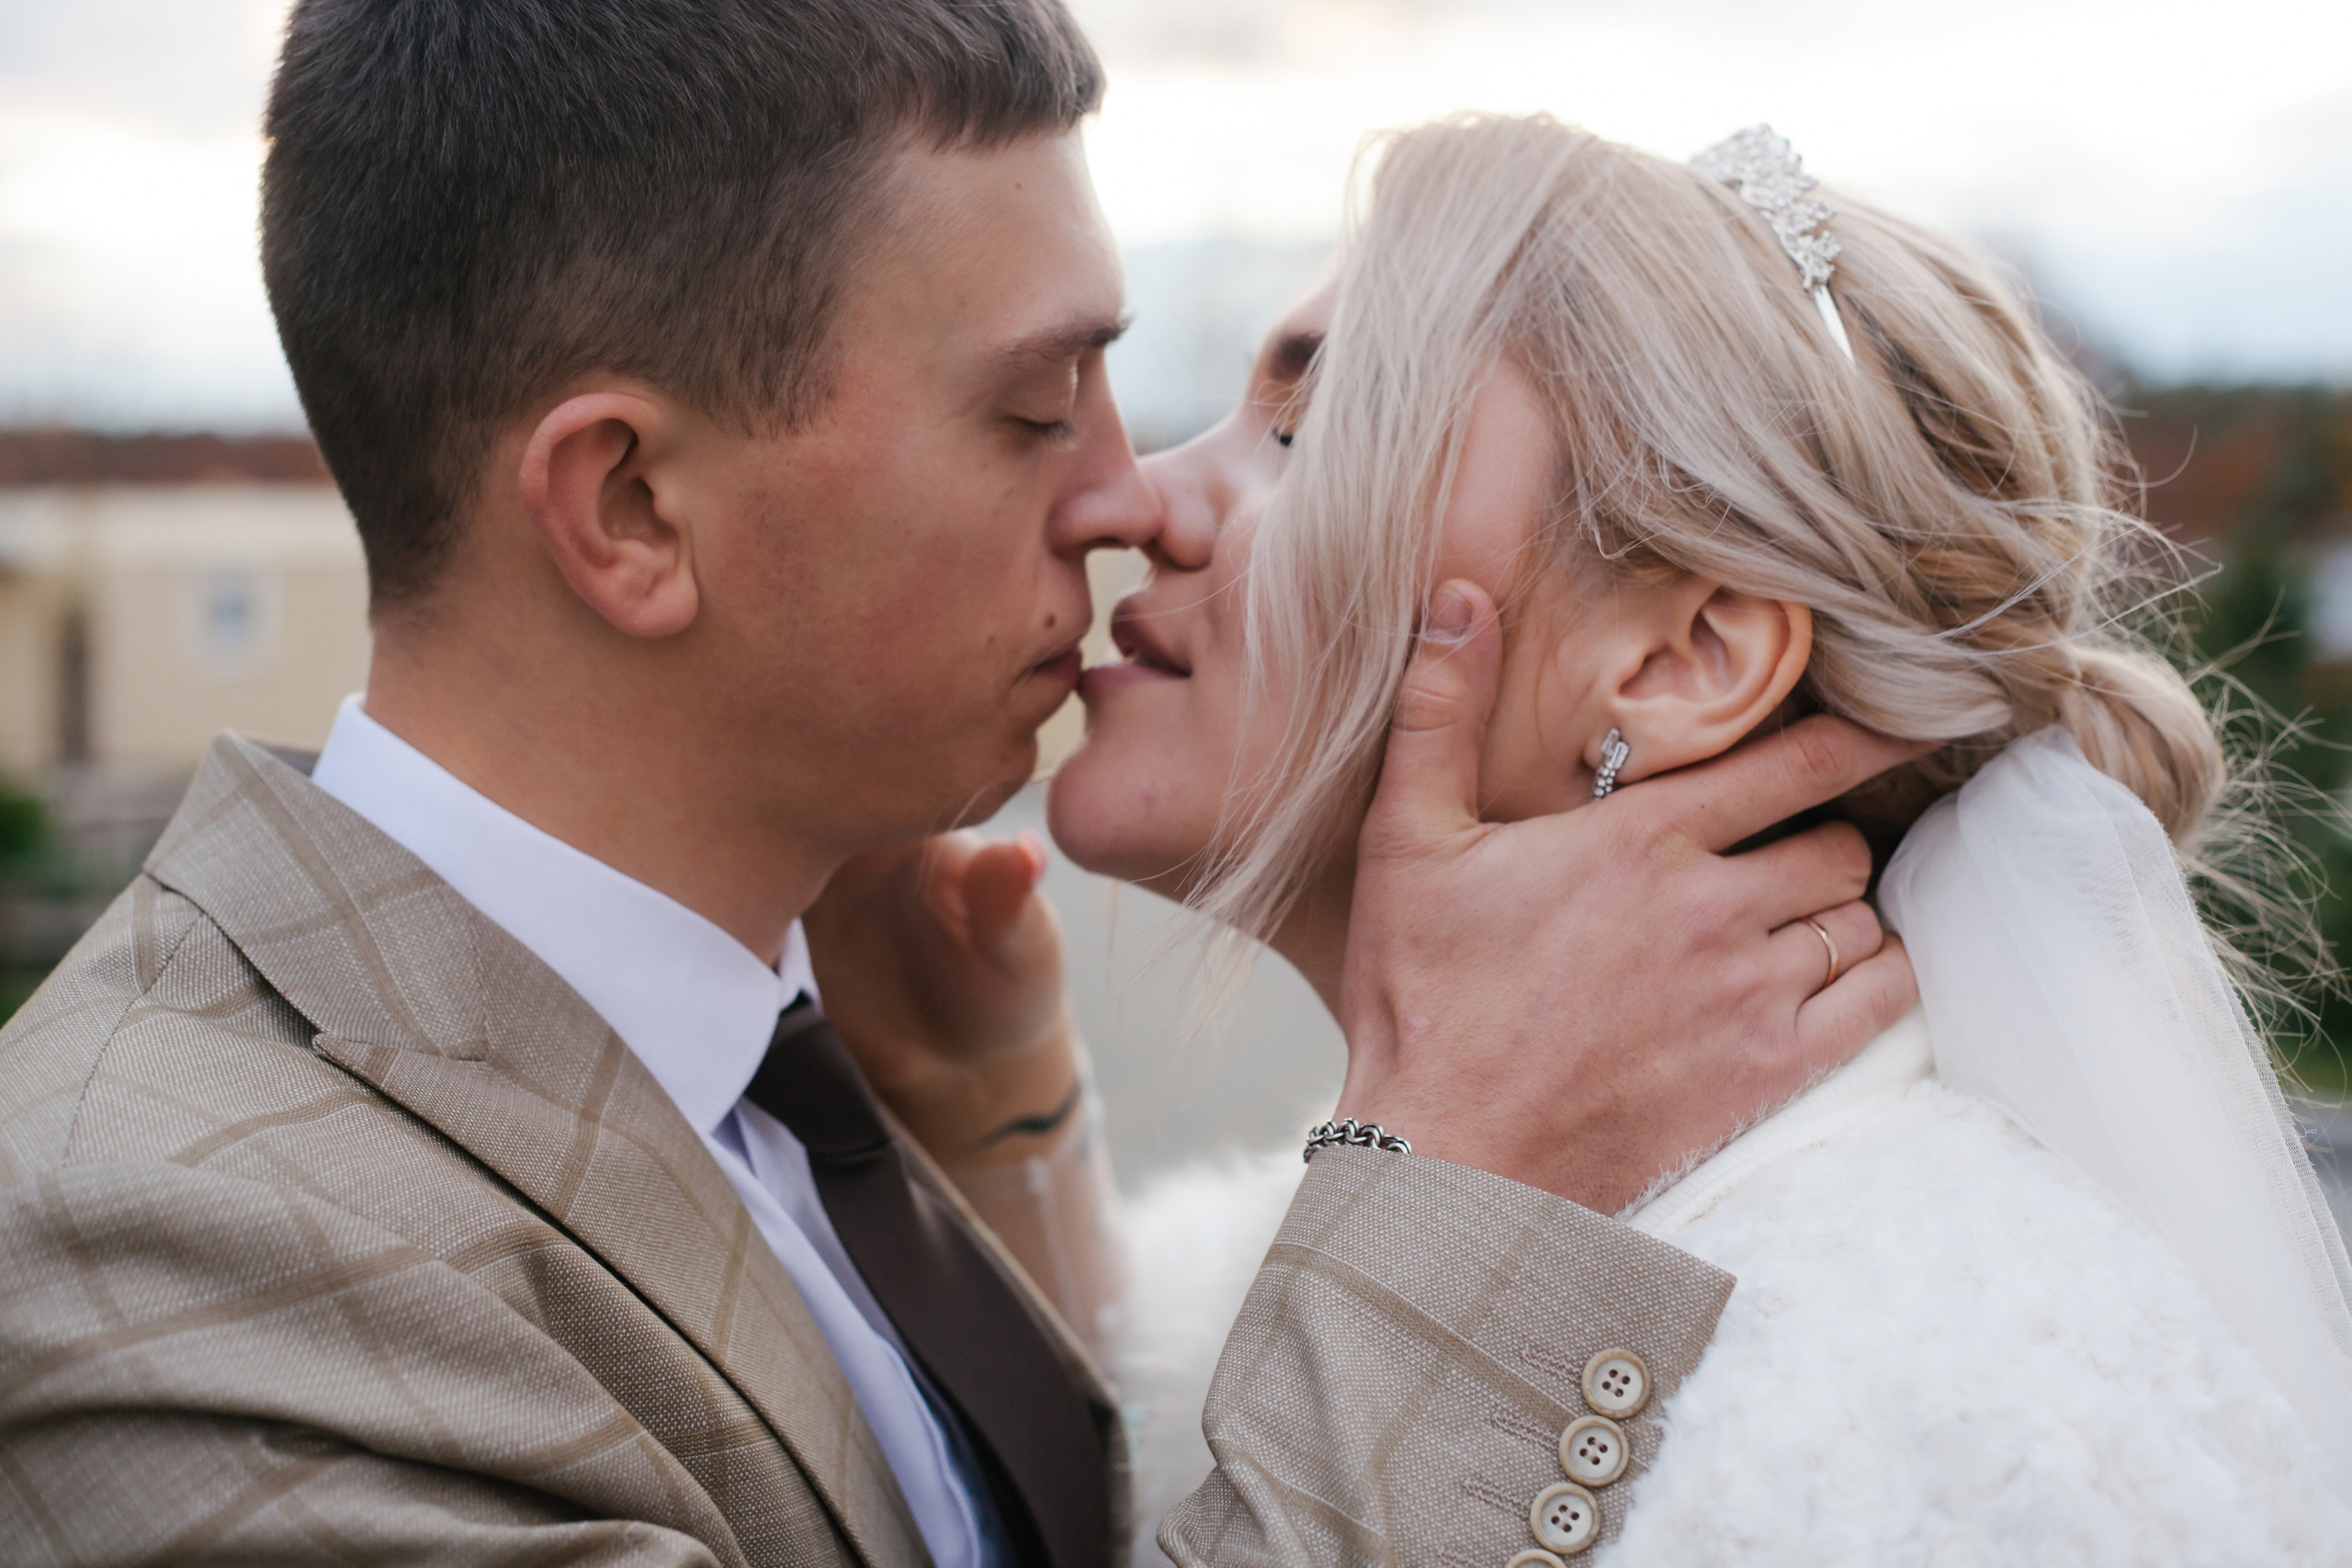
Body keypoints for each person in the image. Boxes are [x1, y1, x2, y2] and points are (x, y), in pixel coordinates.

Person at [0, 10, 1924, 1568]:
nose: (1125, 491)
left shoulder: (797, 1073)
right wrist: (1465, 1188)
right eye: (1029, 405)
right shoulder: (180, 1258)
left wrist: (991, 1152)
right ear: (631, 508)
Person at [1046, 115, 2352, 1563]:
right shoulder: (1390, 1213)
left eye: (1311, 430)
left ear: (1684, 658)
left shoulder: (1900, 1428)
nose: (1141, 499)